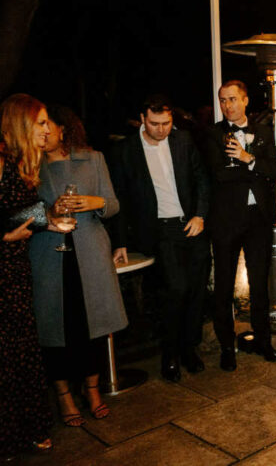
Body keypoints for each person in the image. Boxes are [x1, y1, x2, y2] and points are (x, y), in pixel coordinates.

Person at [29, 105, 126, 426]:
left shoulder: (93, 158)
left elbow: (113, 204)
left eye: (47, 126)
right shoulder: (28, 165)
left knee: (92, 327)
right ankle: (63, 396)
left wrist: (95, 203)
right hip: (48, 256)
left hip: (89, 255)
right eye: (37, 126)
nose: (42, 133)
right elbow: (21, 212)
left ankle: (93, 390)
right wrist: (49, 212)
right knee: (55, 330)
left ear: (63, 130)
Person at [108, 95, 210, 382]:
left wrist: (200, 214)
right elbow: (121, 199)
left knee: (195, 291)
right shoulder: (126, 150)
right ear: (142, 119)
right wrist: (120, 242)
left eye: (167, 123)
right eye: (155, 124)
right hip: (159, 230)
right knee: (175, 290)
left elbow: (201, 179)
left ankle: (189, 348)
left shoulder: (183, 140)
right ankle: (170, 353)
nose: (162, 129)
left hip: (191, 225)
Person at [203, 80, 276, 371]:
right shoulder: (213, 134)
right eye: (223, 100)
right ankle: (227, 346)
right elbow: (219, 175)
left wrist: (249, 159)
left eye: (233, 99)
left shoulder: (262, 133)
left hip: (257, 220)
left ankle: (264, 340)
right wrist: (255, 168)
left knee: (260, 284)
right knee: (223, 286)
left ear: (246, 100)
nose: (227, 105)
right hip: (225, 220)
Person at [0, 94, 54, 459]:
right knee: (7, 356)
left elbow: (17, 210)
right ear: (22, 124)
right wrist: (3, 235)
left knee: (22, 351)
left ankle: (29, 429)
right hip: (2, 269)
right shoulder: (1, 160)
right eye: (41, 123)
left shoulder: (21, 163)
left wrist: (49, 219)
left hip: (16, 269)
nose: (48, 129)